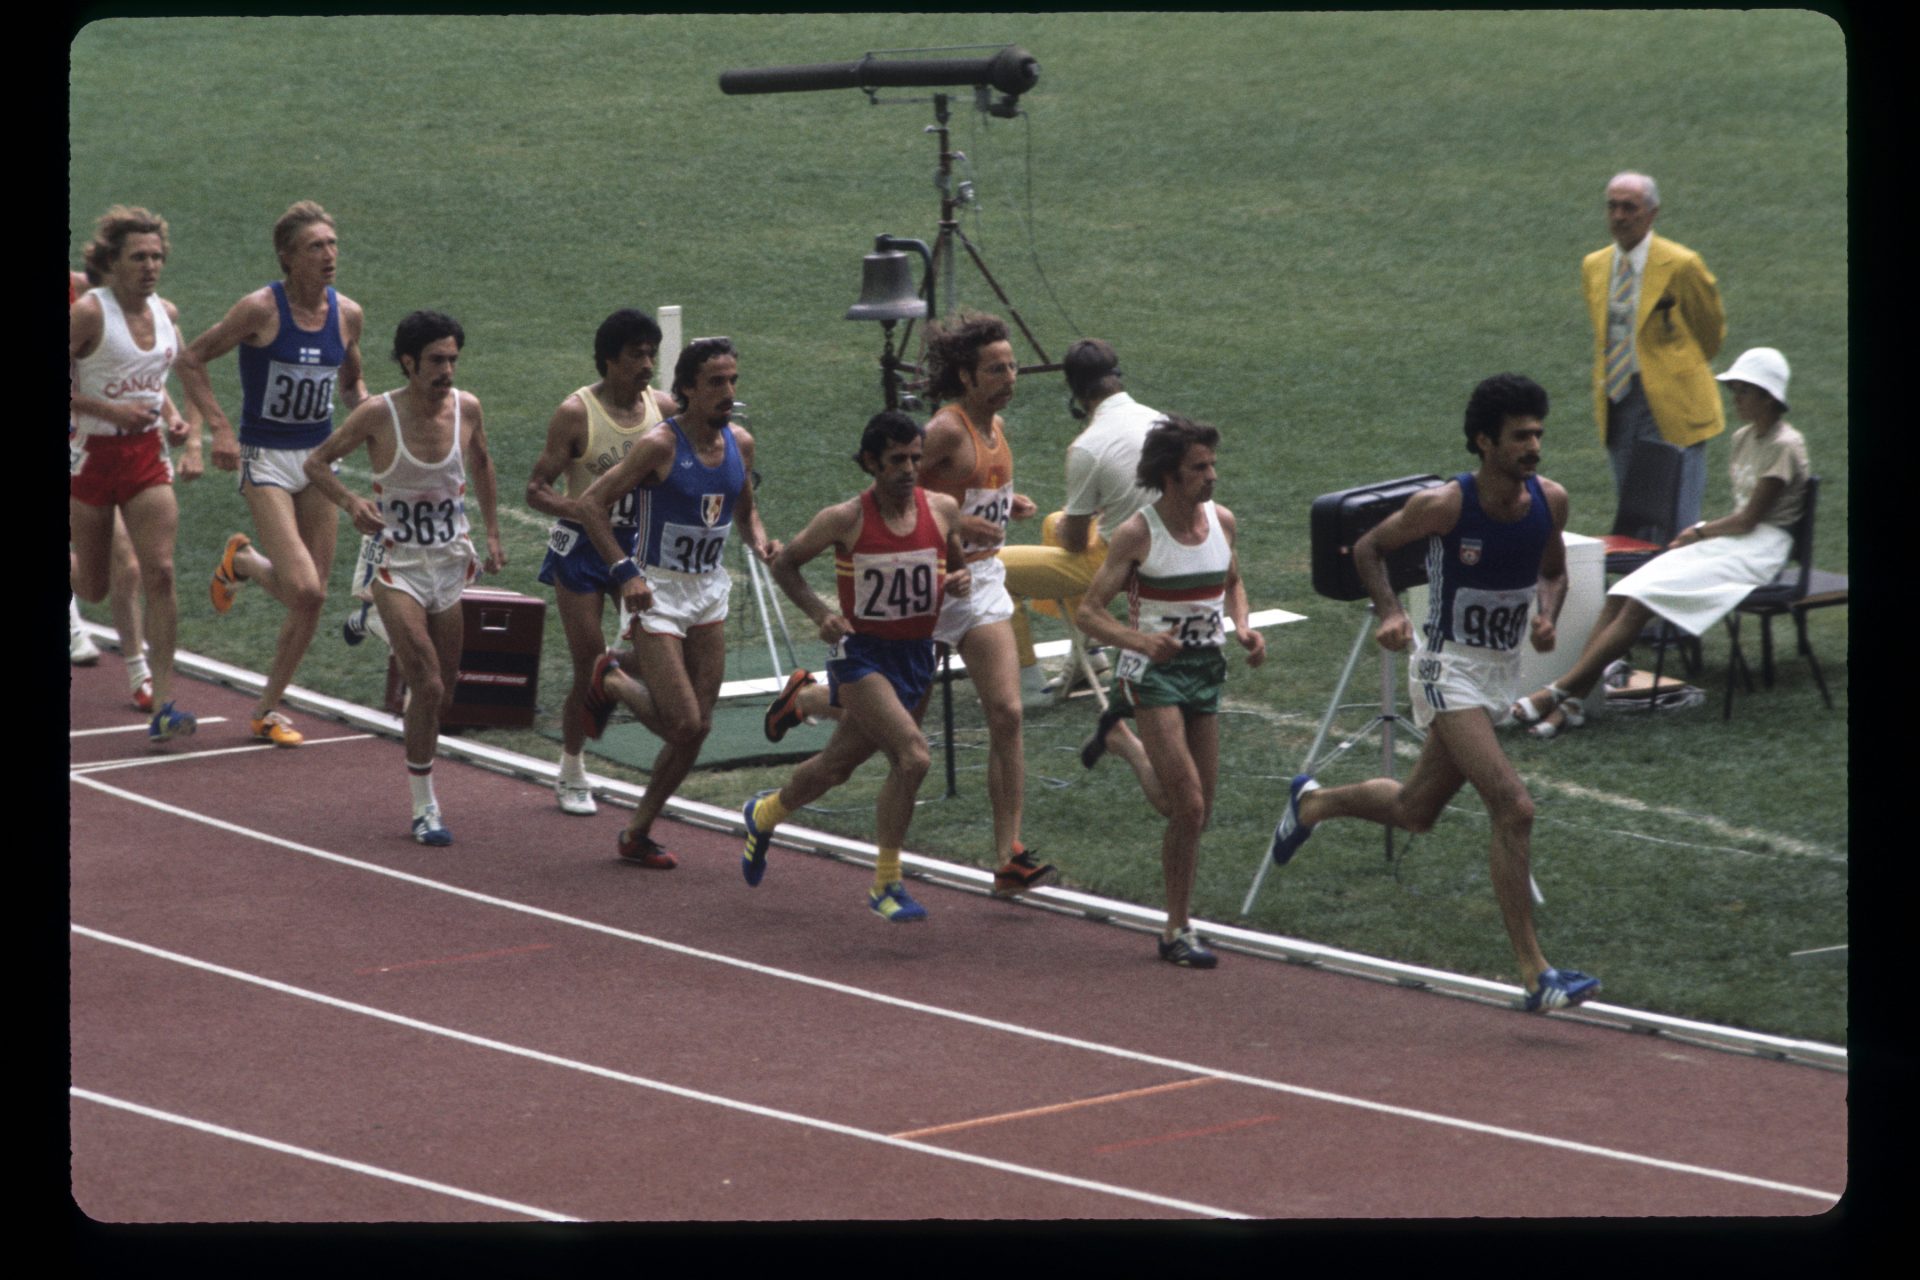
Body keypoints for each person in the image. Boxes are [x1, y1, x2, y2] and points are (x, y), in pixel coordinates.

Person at [1266, 374, 1599, 1012]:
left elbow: (1552, 572)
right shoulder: (1446, 504)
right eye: (1519, 436)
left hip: (1499, 671)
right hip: (1444, 668)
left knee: (1417, 810)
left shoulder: (1550, 501)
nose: (1533, 447)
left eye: (1538, 434)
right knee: (1515, 805)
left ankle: (1312, 804)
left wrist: (1547, 613)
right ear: (1484, 442)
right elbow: (1368, 547)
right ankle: (1536, 974)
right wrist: (1390, 611)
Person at [763, 313, 1052, 898]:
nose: (1010, 377)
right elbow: (909, 484)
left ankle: (1008, 856)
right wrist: (963, 519)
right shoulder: (946, 428)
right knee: (885, 746)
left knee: (1008, 712)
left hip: (977, 584)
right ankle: (814, 698)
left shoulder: (996, 428)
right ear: (967, 377)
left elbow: (967, 493)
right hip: (922, 590)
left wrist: (1002, 505)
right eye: (996, 368)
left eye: (1013, 365)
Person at [741, 411, 970, 922]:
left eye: (916, 457)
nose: (909, 469)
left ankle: (764, 813)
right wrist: (822, 614)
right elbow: (785, 563)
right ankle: (886, 885)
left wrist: (959, 581)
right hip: (862, 655)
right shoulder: (844, 518)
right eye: (897, 460)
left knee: (836, 768)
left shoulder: (944, 509)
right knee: (913, 758)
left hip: (916, 655)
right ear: (870, 462)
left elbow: (956, 565)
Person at [1512, 348, 1810, 738]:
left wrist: (1698, 532)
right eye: (1734, 388)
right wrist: (1701, 534)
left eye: (1743, 390)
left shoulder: (1786, 446)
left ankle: (1558, 692)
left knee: (1642, 601)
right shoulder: (1743, 437)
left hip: (1758, 549)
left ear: (1768, 396)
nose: (1735, 397)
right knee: (1623, 591)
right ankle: (1571, 704)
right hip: (1729, 540)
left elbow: (1751, 518)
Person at [300, 311, 504, 845]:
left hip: (448, 562)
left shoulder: (468, 408)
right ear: (409, 362)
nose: (448, 370)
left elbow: (481, 462)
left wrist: (495, 533)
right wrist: (350, 501)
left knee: (445, 690)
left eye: (454, 359)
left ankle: (370, 624)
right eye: (437, 360)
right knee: (427, 682)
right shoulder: (377, 414)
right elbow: (316, 463)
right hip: (396, 566)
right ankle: (424, 808)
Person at [176, 200, 370, 748]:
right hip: (264, 458)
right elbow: (191, 358)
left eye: (332, 243)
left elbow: (354, 386)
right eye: (316, 246)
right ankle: (244, 561)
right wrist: (220, 429)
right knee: (304, 586)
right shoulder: (261, 309)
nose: (329, 254)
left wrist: (385, 427)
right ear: (288, 258)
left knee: (311, 598)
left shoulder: (347, 314)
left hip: (317, 460)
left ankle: (266, 709)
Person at [575, 337, 775, 868]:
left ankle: (637, 832)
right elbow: (591, 505)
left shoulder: (741, 443)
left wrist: (759, 538)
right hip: (656, 591)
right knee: (686, 725)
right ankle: (612, 678)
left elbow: (744, 508)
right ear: (687, 389)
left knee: (698, 729)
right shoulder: (660, 446)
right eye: (715, 382)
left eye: (732, 380)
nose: (728, 391)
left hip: (708, 590)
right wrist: (624, 572)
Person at [1074, 415, 1266, 968]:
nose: (1212, 476)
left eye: (1212, 464)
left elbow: (1233, 584)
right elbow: (1089, 613)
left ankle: (1124, 744)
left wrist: (1245, 627)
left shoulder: (1222, 522)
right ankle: (1176, 929)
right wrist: (1141, 640)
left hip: (1206, 670)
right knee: (1189, 804)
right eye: (1199, 468)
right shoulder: (1140, 533)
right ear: (1170, 476)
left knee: (1196, 811)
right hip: (1151, 675)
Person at [524, 309, 682, 818]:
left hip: (642, 549)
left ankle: (624, 683)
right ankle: (572, 767)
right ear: (609, 360)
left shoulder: (664, 409)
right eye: (636, 354)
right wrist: (583, 511)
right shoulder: (577, 413)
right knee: (589, 664)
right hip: (583, 552)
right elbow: (536, 489)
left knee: (658, 654)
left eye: (651, 352)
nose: (647, 363)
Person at [998, 337, 1169, 791]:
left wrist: (1095, 515)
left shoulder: (1088, 445)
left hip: (1127, 562)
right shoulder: (1161, 420)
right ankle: (1088, 655)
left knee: (993, 568)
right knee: (1055, 521)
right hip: (1172, 548)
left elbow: (1076, 540)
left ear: (1075, 392)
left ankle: (1028, 682)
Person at [69, 206, 199, 743]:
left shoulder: (166, 313)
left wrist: (177, 421)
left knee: (160, 572)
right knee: (97, 586)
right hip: (91, 457)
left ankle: (164, 702)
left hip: (146, 458)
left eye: (157, 256)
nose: (150, 266)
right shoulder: (88, 315)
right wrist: (108, 411)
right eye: (138, 257)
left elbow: (161, 372)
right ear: (112, 263)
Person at [1586, 171, 1726, 529]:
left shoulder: (1681, 264)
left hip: (1671, 400)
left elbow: (1710, 331)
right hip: (1618, 399)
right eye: (1613, 207)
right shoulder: (1595, 266)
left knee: (1677, 517)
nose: (1619, 216)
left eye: (1629, 208)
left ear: (1651, 214)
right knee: (1634, 517)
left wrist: (1676, 367)